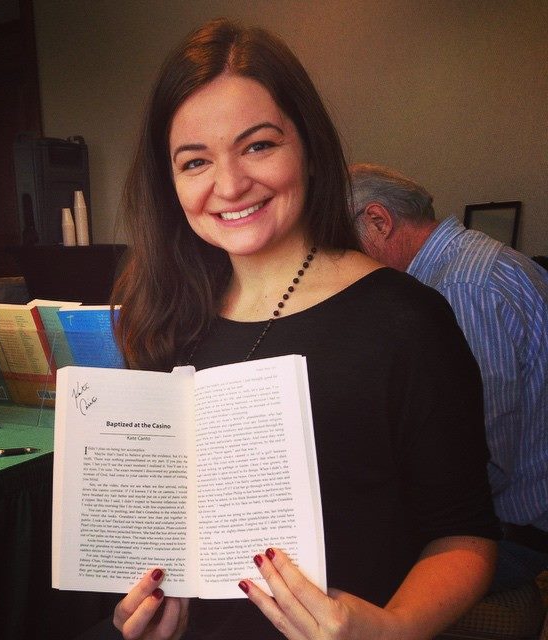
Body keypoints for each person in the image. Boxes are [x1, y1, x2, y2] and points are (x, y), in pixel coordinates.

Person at [104, 19, 499, 640]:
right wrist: (152, 613)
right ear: (170, 181)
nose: (229, 185)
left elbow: (464, 534)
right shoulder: (164, 317)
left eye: (258, 146)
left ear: (309, 149)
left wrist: (392, 629)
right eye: (195, 161)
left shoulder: (406, 321)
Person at [348, 162, 548, 592]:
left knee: (345, 560)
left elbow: (479, 458)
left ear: (379, 221)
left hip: (515, 537)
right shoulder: (478, 261)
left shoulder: (460, 289)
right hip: (513, 518)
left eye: (341, 243)